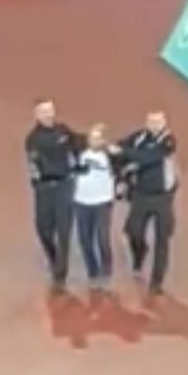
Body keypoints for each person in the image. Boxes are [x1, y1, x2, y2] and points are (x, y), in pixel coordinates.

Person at [24, 99, 83, 293]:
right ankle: (53, 257)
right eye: (43, 112)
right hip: (44, 189)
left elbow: (79, 144)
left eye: (50, 111)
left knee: (64, 230)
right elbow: (34, 164)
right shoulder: (32, 139)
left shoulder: (63, 131)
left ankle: (60, 274)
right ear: (37, 115)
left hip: (64, 185)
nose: (48, 115)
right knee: (44, 229)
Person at [117, 112, 179, 296]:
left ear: (164, 123)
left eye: (158, 122)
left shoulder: (168, 141)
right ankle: (139, 255)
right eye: (151, 122)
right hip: (141, 195)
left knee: (163, 239)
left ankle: (156, 282)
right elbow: (121, 146)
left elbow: (148, 158)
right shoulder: (138, 138)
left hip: (163, 197)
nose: (154, 125)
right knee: (133, 231)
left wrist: (126, 154)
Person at [73, 125, 116, 292]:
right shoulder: (80, 153)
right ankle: (92, 271)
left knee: (102, 238)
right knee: (85, 239)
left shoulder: (110, 157)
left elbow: (124, 165)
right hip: (82, 201)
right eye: (91, 138)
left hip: (102, 202)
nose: (94, 141)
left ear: (104, 140)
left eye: (98, 138)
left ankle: (106, 271)